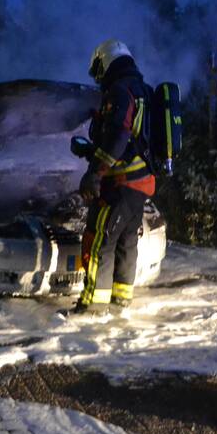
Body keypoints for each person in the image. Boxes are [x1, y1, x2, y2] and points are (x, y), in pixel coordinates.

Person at [71, 39, 155, 315]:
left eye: (98, 69)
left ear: (105, 62)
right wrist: (91, 150)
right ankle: (121, 301)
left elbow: (119, 134)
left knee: (99, 242)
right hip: (140, 183)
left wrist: (94, 173)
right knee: (126, 241)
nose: (98, 78)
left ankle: (93, 306)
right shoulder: (141, 89)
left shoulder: (119, 91)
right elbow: (132, 138)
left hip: (119, 183)